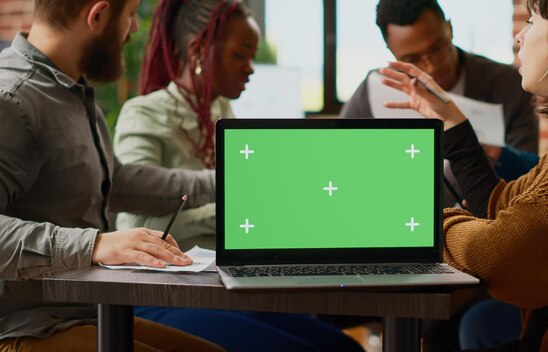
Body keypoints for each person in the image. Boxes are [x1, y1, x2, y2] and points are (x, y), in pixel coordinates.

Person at [113, 1, 364, 351]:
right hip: (163, 291)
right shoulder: (144, 114)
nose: (250, 69)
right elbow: (139, 223)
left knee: (343, 347)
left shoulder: (222, 113)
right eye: (240, 56)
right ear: (199, 50)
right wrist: (245, 214)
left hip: (223, 284)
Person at [380, 0, 548, 350]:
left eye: (531, 21)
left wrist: (427, 226)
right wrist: (451, 118)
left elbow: (499, 258)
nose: (519, 38)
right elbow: (498, 204)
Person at [0, 0, 225, 351]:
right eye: (131, 14)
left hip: (84, 312)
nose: (134, 28)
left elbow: (114, 182)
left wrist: (225, 181)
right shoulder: (13, 99)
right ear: (99, 15)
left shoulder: (72, 91)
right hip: (22, 328)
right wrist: (97, 244)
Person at [341, 1, 537, 349]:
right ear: (391, 52)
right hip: (399, 244)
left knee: (451, 324)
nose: (432, 66)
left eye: (437, 48)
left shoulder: (508, 84)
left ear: (449, 27)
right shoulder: (374, 91)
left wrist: (493, 152)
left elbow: (532, 176)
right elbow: (339, 167)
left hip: (482, 252)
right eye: (414, 59)